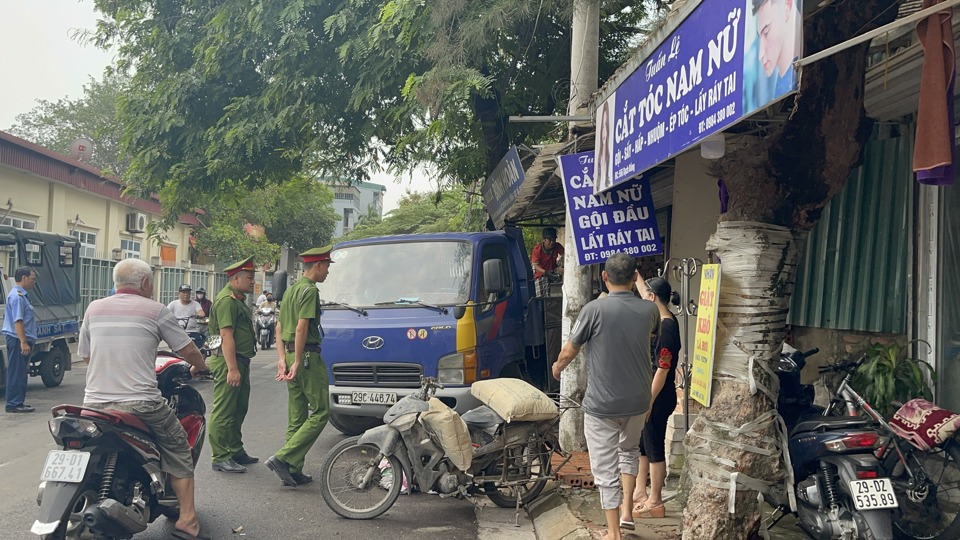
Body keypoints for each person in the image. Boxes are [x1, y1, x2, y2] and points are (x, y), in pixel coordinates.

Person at [78, 258, 210, 540]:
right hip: (141, 404)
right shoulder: (156, 310)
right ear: (146, 283)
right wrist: (201, 365)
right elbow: (186, 349)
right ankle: (187, 520)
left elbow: (87, 356)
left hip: (93, 406)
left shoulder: (93, 308)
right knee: (178, 447)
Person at [552, 253, 660, 540]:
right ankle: (626, 514)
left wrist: (558, 367)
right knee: (629, 452)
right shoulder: (649, 312)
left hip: (602, 406)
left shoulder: (593, 310)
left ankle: (613, 534)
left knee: (604, 469)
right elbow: (649, 311)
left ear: (604, 277)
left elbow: (570, 349)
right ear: (635, 275)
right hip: (639, 402)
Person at [266, 246, 333, 487]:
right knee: (321, 411)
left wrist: (283, 359)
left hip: (292, 356)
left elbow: (279, 327)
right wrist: (297, 361)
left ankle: (293, 470)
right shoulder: (309, 291)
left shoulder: (292, 290)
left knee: (297, 417)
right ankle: (284, 459)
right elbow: (302, 327)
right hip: (306, 358)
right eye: (327, 266)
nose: (327, 272)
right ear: (317, 266)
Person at [627, 277, 682, 521]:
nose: (641, 297)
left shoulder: (667, 327)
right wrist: (635, 272)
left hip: (658, 395)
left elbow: (663, 368)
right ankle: (640, 491)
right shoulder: (659, 317)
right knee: (642, 443)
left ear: (652, 298)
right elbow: (643, 288)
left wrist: (648, 401)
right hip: (649, 392)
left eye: (645, 294)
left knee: (654, 444)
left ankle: (655, 500)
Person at [207, 257, 258, 473]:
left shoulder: (236, 299)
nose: (252, 281)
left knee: (238, 408)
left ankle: (235, 449)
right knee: (224, 410)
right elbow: (226, 336)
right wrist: (232, 369)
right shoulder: (227, 301)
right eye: (249, 278)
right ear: (235, 279)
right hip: (230, 361)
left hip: (240, 360)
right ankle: (220, 456)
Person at [3, 267, 38, 413]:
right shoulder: (17, 296)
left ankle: (18, 401)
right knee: (16, 372)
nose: (34, 282)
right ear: (24, 278)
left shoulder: (22, 295)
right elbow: (18, 321)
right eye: (32, 278)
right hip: (18, 340)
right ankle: (13, 403)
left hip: (20, 339)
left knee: (21, 371)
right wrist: (23, 342)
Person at [754, 0, 802, 95]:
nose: (761, 55)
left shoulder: (796, 75)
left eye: (767, 31)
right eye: (760, 37)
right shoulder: (780, 87)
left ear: (787, 7)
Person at [531, 227, 565, 297]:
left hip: (553, 270)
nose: (552, 242)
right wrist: (546, 272)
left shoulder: (557, 246)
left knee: (563, 265)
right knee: (542, 295)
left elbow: (566, 255)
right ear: (544, 240)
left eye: (553, 240)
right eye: (549, 240)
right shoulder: (537, 249)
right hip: (541, 273)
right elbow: (536, 266)